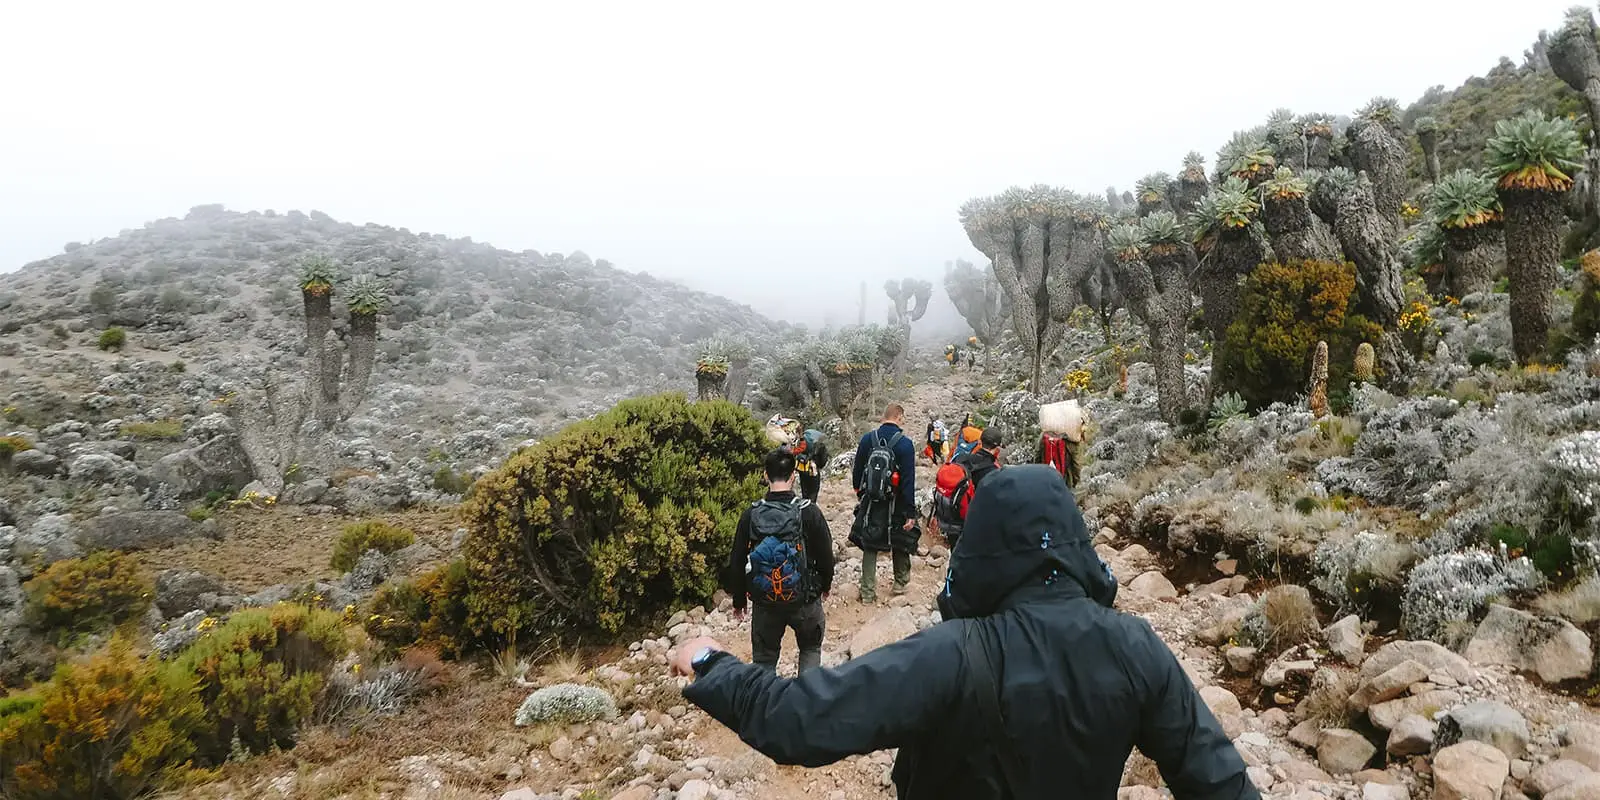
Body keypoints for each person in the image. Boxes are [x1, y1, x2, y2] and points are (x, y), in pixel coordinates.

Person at [674, 466, 1258, 800]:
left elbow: (799, 723)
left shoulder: (948, 653)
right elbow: (1224, 787)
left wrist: (710, 663)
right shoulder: (1138, 648)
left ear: (981, 548)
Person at [722, 449, 835, 674]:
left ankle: (765, 705)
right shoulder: (809, 512)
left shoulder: (751, 515)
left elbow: (736, 560)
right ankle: (808, 702)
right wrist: (825, 585)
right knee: (810, 649)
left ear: (766, 475)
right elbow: (826, 554)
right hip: (805, 599)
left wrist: (739, 601)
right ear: (793, 476)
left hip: (766, 601)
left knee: (764, 661)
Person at [849, 403, 919, 602]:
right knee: (900, 538)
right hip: (895, 501)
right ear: (898, 416)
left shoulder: (867, 439)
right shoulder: (905, 444)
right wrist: (910, 512)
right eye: (903, 418)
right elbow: (908, 481)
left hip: (871, 500)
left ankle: (868, 592)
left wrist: (859, 492)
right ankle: (900, 582)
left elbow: (857, 470)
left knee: (870, 543)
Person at [791, 428, 829, 502]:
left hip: (803, 470)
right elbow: (823, 459)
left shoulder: (799, 442)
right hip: (814, 471)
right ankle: (811, 508)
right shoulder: (819, 443)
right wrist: (819, 466)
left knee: (805, 493)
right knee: (813, 494)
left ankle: (805, 508)